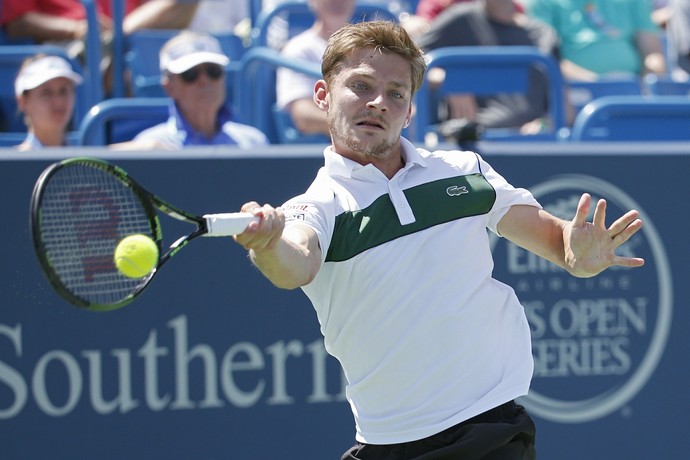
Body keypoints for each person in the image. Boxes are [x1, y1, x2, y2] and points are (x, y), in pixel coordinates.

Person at [232, 20, 645, 459]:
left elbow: (559, 245)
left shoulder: (465, 171)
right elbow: (294, 264)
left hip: (491, 430)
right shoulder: (315, 206)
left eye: (396, 93)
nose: (378, 103)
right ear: (323, 95)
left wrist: (578, 252)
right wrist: (268, 243)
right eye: (360, 86)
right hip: (388, 443)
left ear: (410, 111)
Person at [416, 0, 561, 133]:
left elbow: (564, 109)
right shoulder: (461, 18)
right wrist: (451, 82)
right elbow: (410, 58)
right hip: (467, 140)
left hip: (531, 144)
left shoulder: (543, 35)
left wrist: (544, 124)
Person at [127, 31, 269, 149]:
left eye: (213, 71)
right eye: (190, 74)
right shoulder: (148, 146)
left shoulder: (254, 142)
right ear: (169, 87)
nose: (204, 81)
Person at [523, 0, 666, 81]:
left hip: (631, 90)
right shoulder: (541, 3)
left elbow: (652, 54)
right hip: (574, 91)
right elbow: (547, 60)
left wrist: (649, 82)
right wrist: (597, 83)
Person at [276, 0, 357, 138]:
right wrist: (357, 129)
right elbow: (304, 116)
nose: (338, 2)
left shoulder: (372, 49)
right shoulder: (298, 49)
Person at [14, 54, 83, 150]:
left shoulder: (89, 159)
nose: (58, 102)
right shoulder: (12, 163)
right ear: (23, 101)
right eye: (46, 93)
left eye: (63, 91)